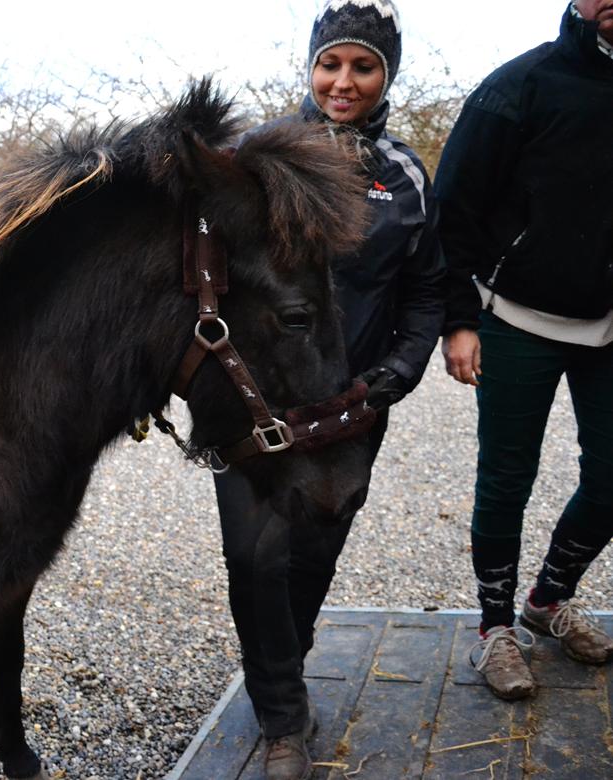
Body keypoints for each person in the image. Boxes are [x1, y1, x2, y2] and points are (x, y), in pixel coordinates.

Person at [215, 2, 445, 778]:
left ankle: (284, 662)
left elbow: (425, 288)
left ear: (387, 76)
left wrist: (401, 371)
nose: (343, 82)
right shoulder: (254, 158)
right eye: (330, 63)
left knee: (313, 549)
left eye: (363, 66)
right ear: (311, 68)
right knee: (254, 557)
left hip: (352, 404)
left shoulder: (405, 175)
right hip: (257, 398)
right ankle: (284, 719)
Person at [436, 0, 613, 701]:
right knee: (507, 478)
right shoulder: (518, 85)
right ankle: (494, 629)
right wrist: (459, 320)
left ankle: (547, 600)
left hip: (608, 327)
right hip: (513, 317)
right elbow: (453, 207)